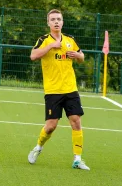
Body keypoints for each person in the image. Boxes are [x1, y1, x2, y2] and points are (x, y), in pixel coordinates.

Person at [27, 9, 89, 170]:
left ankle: (77, 159)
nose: (56, 22)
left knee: (76, 121)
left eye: (59, 19)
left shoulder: (70, 40)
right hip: (53, 90)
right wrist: (51, 46)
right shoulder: (43, 40)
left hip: (70, 89)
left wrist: (76, 55)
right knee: (51, 126)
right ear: (48, 23)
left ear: (62, 22)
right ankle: (38, 147)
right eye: (53, 19)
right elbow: (33, 56)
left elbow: (82, 57)